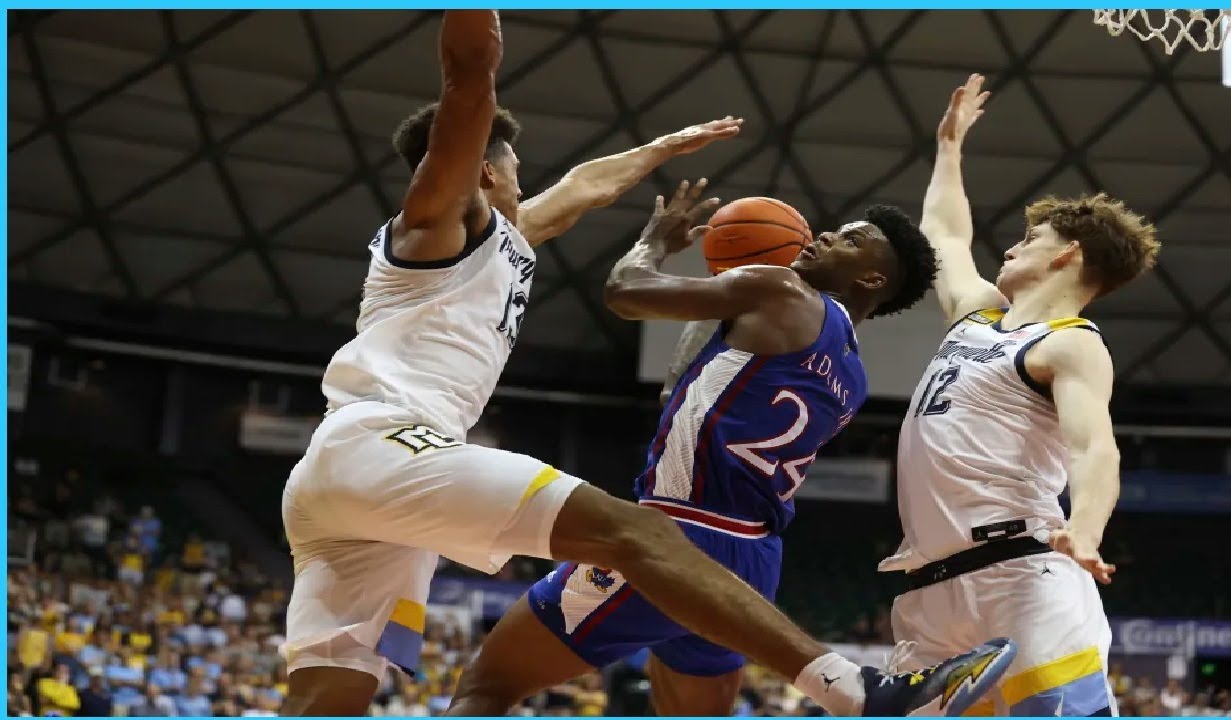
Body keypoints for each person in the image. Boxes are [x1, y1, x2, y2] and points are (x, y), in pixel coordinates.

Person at [278, 11, 1014, 716]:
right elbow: (470, 79)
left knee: (333, 692)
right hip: (387, 442)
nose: (526, 180)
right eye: (513, 169)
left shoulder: (504, 238)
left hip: (353, 484)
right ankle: (855, 691)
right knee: (636, 535)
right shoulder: (437, 218)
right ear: (483, 171)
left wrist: (657, 154)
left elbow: (575, 194)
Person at [447, 177, 1018, 717]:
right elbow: (706, 389)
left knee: (487, 685)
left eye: (851, 240)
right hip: (753, 559)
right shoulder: (852, 376)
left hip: (672, 535)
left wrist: (654, 243)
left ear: (871, 279)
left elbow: (625, 293)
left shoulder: (781, 289)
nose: (825, 235)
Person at [878, 74, 1161, 717]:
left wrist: (1085, 531)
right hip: (927, 592)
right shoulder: (976, 314)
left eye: (1032, 238)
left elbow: (1096, 451)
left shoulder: (1072, 345)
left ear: (1070, 256)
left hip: (1021, 576)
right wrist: (949, 149)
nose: (1012, 244)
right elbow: (944, 237)